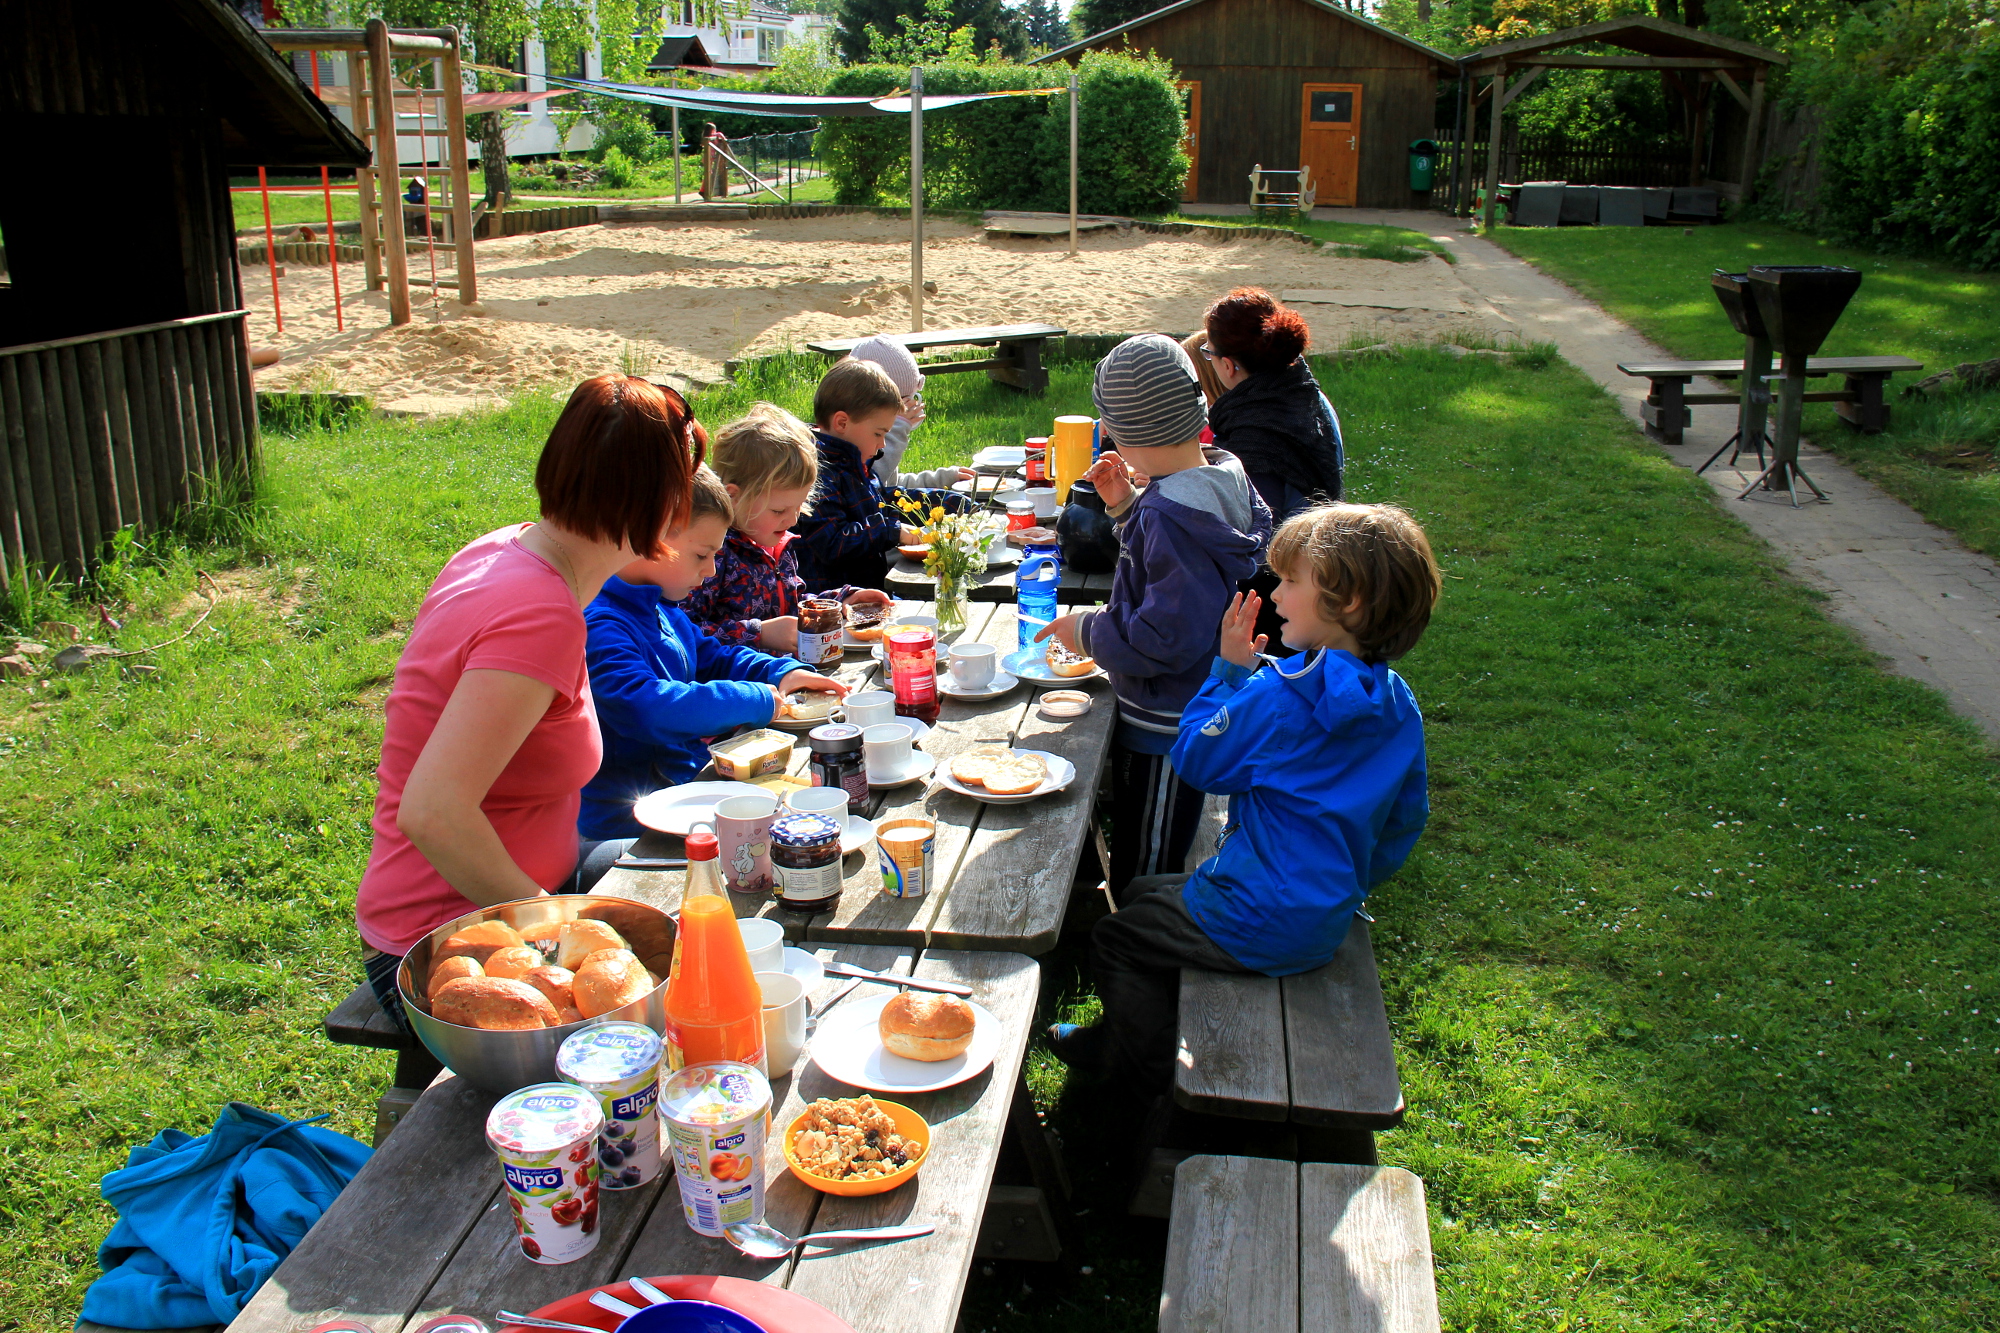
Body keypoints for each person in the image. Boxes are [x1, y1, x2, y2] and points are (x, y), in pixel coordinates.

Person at [1050, 502, 1439, 1097]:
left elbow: (1196, 760)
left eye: (1290, 581)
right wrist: (1346, 879)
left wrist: (1229, 673)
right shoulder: (1397, 703)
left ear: (1348, 601)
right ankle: (1165, 1008)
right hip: (1324, 910)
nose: (1274, 593)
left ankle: (1131, 1067)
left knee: (1117, 937)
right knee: (1139, 893)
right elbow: (1405, 820)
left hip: (1258, 917)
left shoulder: (1284, 698)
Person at [354, 374, 704, 1032]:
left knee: (706, 884)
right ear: (664, 500)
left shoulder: (507, 550)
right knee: (687, 1008)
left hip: (519, 900)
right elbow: (431, 811)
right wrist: (551, 922)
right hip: (449, 944)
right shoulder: (539, 610)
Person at [1034, 334, 1273, 891]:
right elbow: (1176, 558)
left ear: (1125, 432)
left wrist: (1088, 630)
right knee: (1151, 830)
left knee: (1151, 853)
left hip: (1170, 716)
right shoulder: (1217, 474)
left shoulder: (1170, 513)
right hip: (1191, 698)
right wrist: (1127, 507)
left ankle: (1144, 937)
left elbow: (1166, 633)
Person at [579, 465, 849, 839]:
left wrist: (779, 673)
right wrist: (753, 698)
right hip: (630, 828)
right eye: (701, 555)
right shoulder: (601, 621)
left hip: (687, 795)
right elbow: (643, 706)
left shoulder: (661, 606)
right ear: (648, 537)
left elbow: (713, 657)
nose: (709, 570)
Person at [681, 402, 891, 653]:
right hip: (743, 682)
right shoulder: (713, 554)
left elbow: (791, 604)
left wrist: (840, 600)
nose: (792, 520)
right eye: (779, 511)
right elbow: (684, 632)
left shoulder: (775, 542)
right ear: (733, 496)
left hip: (788, 670)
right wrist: (759, 634)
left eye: (800, 506)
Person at [1202, 287, 1346, 653]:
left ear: (1228, 364)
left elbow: (1245, 541)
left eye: (1210, 353)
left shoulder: (1255, 433)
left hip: (1279, 603)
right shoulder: (1304, 393)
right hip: (1317, 568)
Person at [792, 359, 969, 592]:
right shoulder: (817, 472)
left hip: (867, 592)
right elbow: (832, 542)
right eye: (878, 433)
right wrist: (888, 531)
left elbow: (886, 500)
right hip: (834, 604)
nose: (882, 444)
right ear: (842, 423)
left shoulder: (852, 460)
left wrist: (950, 502)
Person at [846, 336, 973, 490]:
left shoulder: (874, 437)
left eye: (912, 398)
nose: (910, 409)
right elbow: (872, 481)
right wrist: (896, 430)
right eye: (903, 403)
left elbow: (891, 484)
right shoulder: (855, 444)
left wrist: (945, 478)